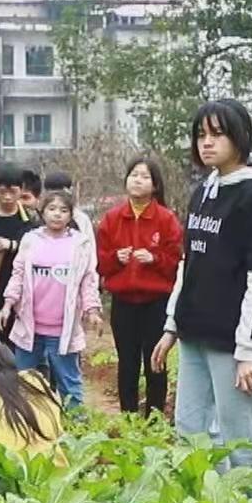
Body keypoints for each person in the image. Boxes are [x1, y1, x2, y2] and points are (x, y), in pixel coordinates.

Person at [151, 101, 252, 475]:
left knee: (243, 434)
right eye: (200, 135)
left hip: (233, 340)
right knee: (192, 431)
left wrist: (249, 349)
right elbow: (187, 264)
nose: (206, 143)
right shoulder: (204, 191)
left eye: (216, 134)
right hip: (195, 334)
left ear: (240, 137)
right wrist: (172, 325)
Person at [0, 191, 102, 409]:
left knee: (69, 382)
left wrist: (92, 310)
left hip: (62, 328)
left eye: (64, 211)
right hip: (29, 326)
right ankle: (26, 423)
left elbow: (88, 279)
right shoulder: (31, 240)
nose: (57, 215)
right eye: (52, 209)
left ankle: (75, 429)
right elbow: (18, 275)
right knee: (24, 380)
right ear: (42, 212)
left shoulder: (80, 243)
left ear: (71, 215)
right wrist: (7, 304)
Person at [96, 157, 182, 416]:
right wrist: (115, 259)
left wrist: (154, 258)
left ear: (155, 185)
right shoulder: (112, 219)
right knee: (127, 362)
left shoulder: (166, 219)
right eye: (134, 175)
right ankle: (129, 418)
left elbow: (177, 260)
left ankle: (154, 419)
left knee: (156, 360)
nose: (137, 180)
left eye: (144, 176)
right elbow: (100, 262)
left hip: (156, 302)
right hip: (123, 302)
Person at [0, 163, 37, 330]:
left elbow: (37, 250)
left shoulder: (31, 220)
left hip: (18, 287)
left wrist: (12, 245)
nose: (8, 197)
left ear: (21, 190)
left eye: (13, 192)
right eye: (2, 192)